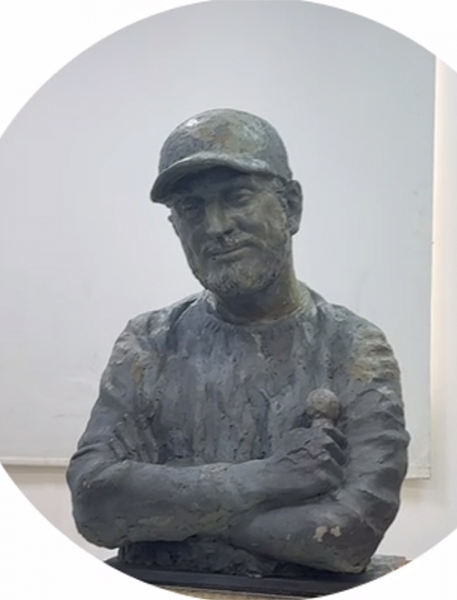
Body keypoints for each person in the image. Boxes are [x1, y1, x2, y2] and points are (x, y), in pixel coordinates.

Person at [66, 109, 409, 576]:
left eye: (238, 197)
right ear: (175, 226)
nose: (215, 226)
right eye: (191, 208)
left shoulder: (354, 348)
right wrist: (267, 478)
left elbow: (350, 534)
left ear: (291, 207)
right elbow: (94, 503)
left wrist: (169, 515)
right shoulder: (148, 343)